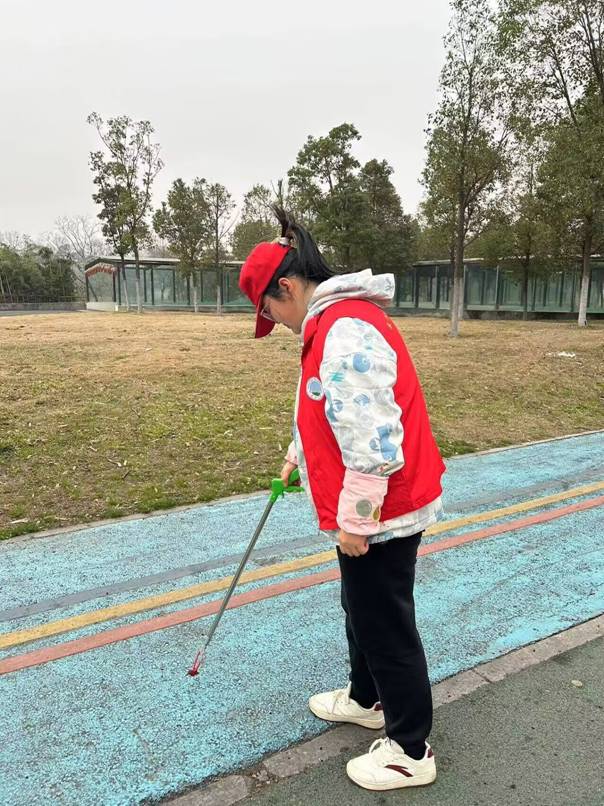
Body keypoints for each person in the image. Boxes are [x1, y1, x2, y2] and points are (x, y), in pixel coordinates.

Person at [238, 207, 446, 792]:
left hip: (383, 512)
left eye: (268, 311)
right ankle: (366, 697)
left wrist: (357, 522)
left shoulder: (345, 329)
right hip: (370, 510)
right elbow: (325, 405)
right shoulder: (330, 323)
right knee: (361, 609)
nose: (274, 323)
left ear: (286, 287)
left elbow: (374, 437)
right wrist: (297, 453)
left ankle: (410, 749)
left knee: (385, 624)